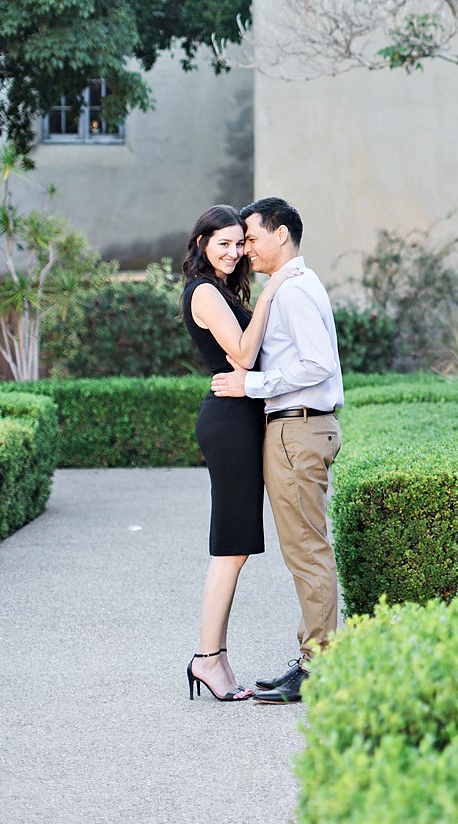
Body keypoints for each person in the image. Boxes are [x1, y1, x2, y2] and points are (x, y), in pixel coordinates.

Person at [210, 197, 343, 705]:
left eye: (251, 237)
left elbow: (317, 365)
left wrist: (253, 384)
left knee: (307, 552)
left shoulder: (291, 292)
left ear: (281, 234)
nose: (245, 248)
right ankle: (315, 657)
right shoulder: (289, 288)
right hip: (298, 430)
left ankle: (320, 667)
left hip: (297, 430)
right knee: (305, 550)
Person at [181, 204, 300, 702]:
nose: (234, 252)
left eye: (239, 243)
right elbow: (244, 356)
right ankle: (207, 659)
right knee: (230, 548)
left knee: (238, 548)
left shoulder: (223, 289)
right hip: (229, 423)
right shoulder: (205, 291)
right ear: (202, 243)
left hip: (242, 419)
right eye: (223, 243)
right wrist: (274, 289)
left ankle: (215, 657)